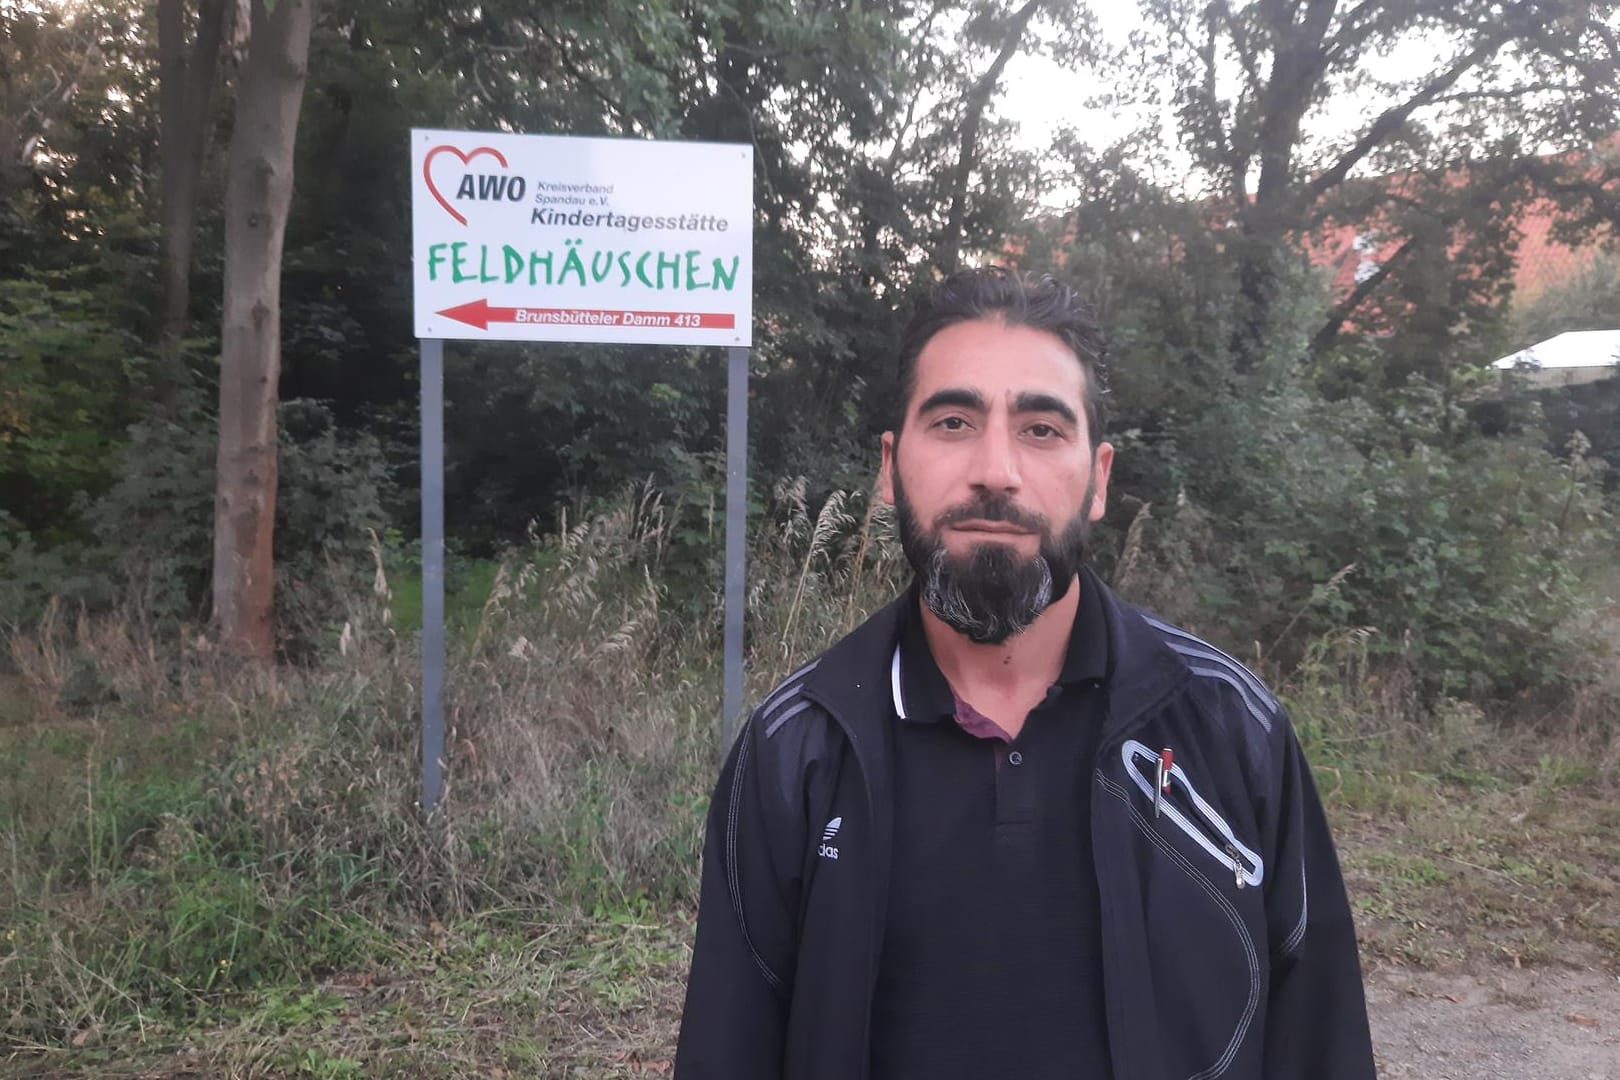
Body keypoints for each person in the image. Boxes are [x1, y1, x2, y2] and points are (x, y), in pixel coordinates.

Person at [674, 267, 1375, 1080]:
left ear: (1100, 478)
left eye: (1041, 429)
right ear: (890, 467)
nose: (995, 469)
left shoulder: (1232, 728)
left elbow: (1319, 1036)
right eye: (953, 421)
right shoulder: (795, 751)